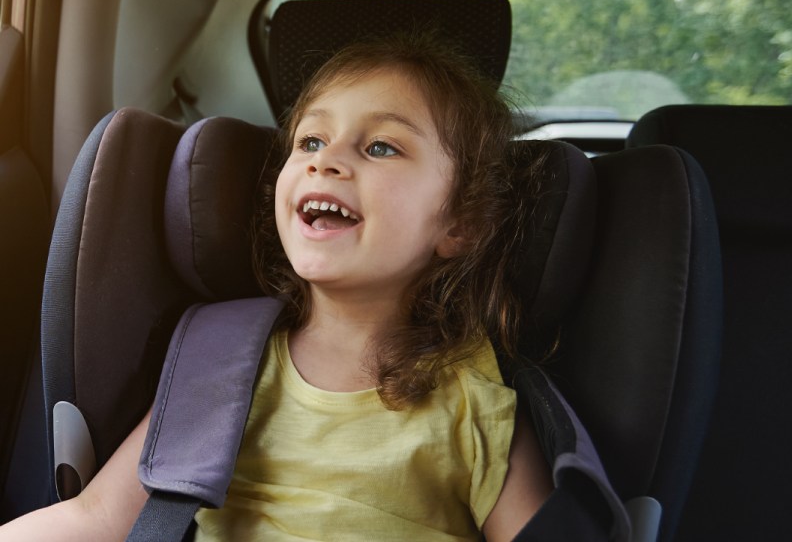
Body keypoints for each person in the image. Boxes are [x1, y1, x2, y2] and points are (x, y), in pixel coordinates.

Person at [0, 33, 554, 541]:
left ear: (459, 223)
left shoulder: (475, 403)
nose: (326, 161)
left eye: (381, 147)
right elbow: (95, 519)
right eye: (310, 140)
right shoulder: (213, 359)